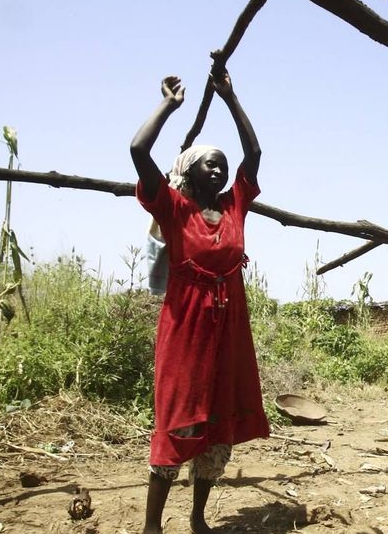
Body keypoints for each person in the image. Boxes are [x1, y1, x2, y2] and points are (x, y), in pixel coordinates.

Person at [130, 72, 269, 534]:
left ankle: (197, 517)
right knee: (179, 421)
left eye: (223, 166)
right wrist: (168, 107)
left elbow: (254, 154)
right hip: (185, 329)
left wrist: (232, 97)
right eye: (210, 163)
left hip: (229, 331)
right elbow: (137, 151)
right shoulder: (173, 207)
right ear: (188, 170)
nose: (220, 170)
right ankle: (152, 525)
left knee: (217, 427)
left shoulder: (234, 207)